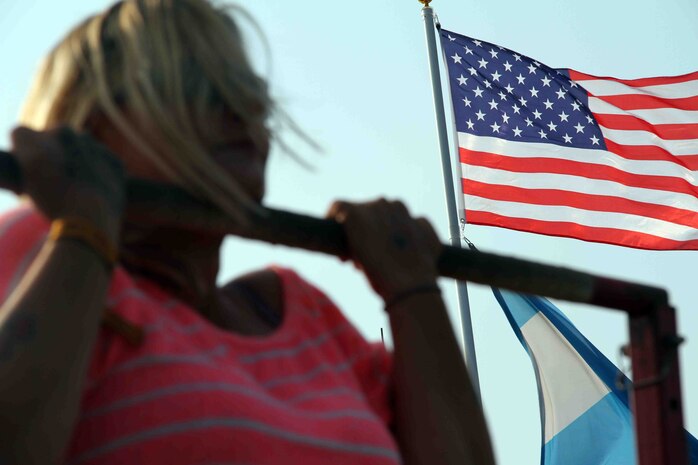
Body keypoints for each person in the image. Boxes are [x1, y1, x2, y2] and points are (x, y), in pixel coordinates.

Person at [0, 1, 495, 464]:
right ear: (94, 128)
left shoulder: (308, 317)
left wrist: (413, 290)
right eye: (199, 89)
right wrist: (85, 225)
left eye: (248, 94)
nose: (243, 114)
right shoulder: (50, 244)